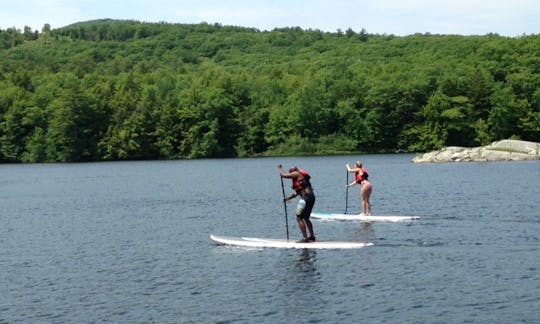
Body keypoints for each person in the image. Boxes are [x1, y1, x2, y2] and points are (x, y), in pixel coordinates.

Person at [278, 165, 316, 243]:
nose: (291, 174)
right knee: (306, 218)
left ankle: (305, 238)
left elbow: (283, 175)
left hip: (306, 198)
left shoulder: (297, 173)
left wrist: (280, 169)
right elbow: (297, 193)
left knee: (299, 218)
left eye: (291, 172)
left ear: (294, 171)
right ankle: (312, 237)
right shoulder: (300, 180)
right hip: (311, 197)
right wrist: (288, 198)